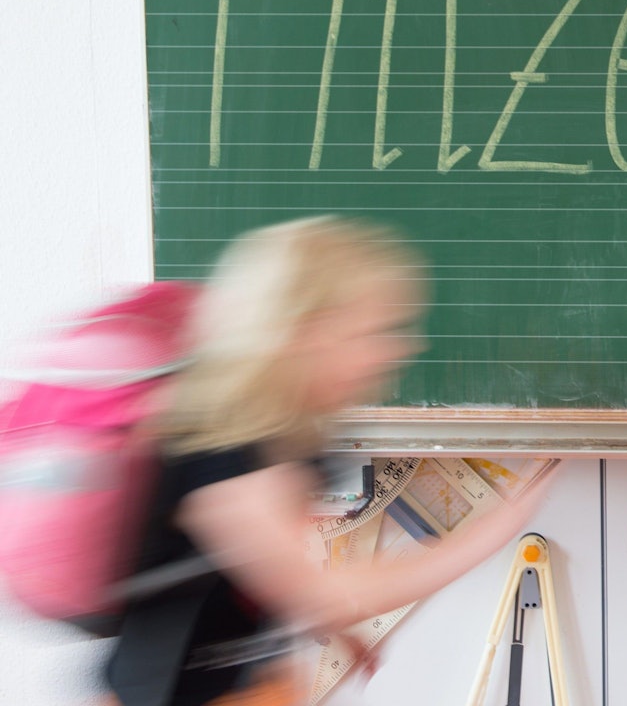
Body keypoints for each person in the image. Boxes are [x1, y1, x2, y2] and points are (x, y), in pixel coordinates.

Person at [105, 217, 551, 706]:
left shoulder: (285, 432)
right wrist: (496, 528)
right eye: (377, 331)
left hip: (244, 686)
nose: (400, 349)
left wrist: (333, 628)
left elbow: (269, 570)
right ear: (309, 331)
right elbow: (324, 590)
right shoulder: (220, 439)